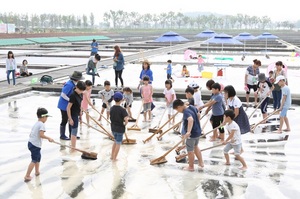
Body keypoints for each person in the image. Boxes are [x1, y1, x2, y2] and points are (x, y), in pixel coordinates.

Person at [173, 99, 204, 171]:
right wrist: (197, 123)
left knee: (190, 151)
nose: (178, 112)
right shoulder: (191, 107)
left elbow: (190, 119)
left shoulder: (186, 112)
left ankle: (191, 167)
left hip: (192, 134)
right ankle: (201, 162)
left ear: (179, 107)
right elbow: (198, 113)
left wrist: (188, 131)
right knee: (196, 147)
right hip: (197, 131)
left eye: (177, 110)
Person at [24, 108, 54, 182]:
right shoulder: (42, 125)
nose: (47, 119)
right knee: (34, 160)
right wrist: (49, 138)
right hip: (35, 145)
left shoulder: (36, 123)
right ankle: (27, 175)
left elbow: (31, 133)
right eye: (46, 117)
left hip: (31, 143)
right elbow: (41, 135)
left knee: (38, 158)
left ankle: (37, 171)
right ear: (43, 117)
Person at [57, 71, 84, 140]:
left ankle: (71, 134)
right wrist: (70, 100)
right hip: (64, 104)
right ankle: (62, 135)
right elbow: (63, 94)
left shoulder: (75, 85)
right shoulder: (69, 84)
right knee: (65, 119)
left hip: (71, 104)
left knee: (71, 119)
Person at [67, 81, 86, 150]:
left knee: (75, 130)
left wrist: (80, 111)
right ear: (76, 87)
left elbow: (80, 103)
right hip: (72, 114)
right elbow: (68, 107)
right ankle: (73, 147)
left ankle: (73, 146)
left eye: (82, 90)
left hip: (77, 113)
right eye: (80, 90)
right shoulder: (73, 95)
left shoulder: (81, 94)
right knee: (74, 130)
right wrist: (70, 118)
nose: (81, 91)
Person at [110, 92, 129, 161]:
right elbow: (126, 120)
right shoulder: (122, 110)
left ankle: (112, 156)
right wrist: (125, 124)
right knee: (118, 143)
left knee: (115, 141)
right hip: (120, 129)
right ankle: (115, 158)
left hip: (113, 128)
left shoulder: (112, 108)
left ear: (113, 99)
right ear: (122, 100)